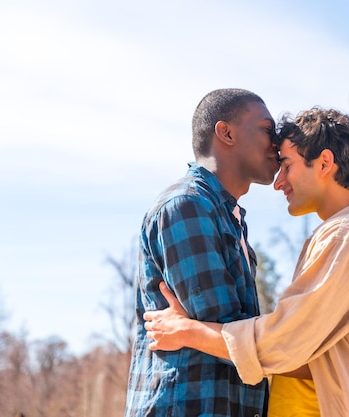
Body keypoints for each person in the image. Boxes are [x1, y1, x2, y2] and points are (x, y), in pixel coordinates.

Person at [144, 107, 349, 417]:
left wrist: (186, 331)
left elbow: (286, 344)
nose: (279, 182)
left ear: (324, 163)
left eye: (287, 165)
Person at [124, 88, 280, 417]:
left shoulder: (228, 216)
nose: (277, 143)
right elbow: (232, 335)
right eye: (268, 129)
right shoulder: (187, 205)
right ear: (226, 133)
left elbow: (235, 338)